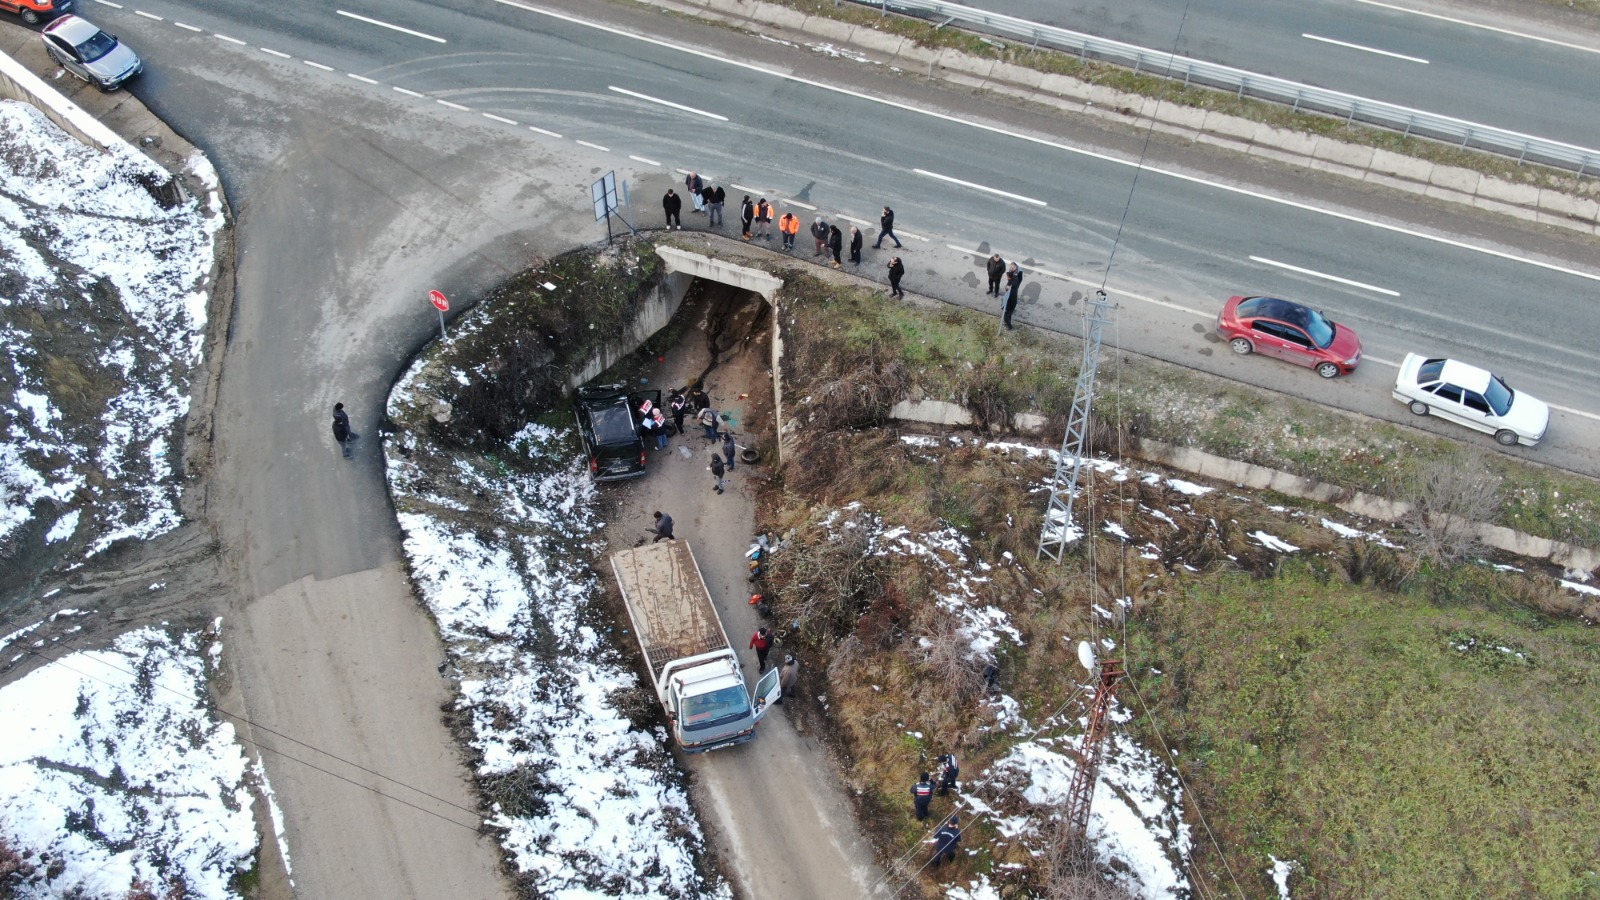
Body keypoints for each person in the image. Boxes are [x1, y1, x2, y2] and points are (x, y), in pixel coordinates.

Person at [1003, 263, 1024, 329]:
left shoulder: (1013, 282)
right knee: (1009, 315)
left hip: (1011, 304)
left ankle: (1010, 327)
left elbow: (1008, 292)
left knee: (1006, 317)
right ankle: (1008, 323)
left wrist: (1007, 288)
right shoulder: (1014, 278)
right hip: (1012, 302)